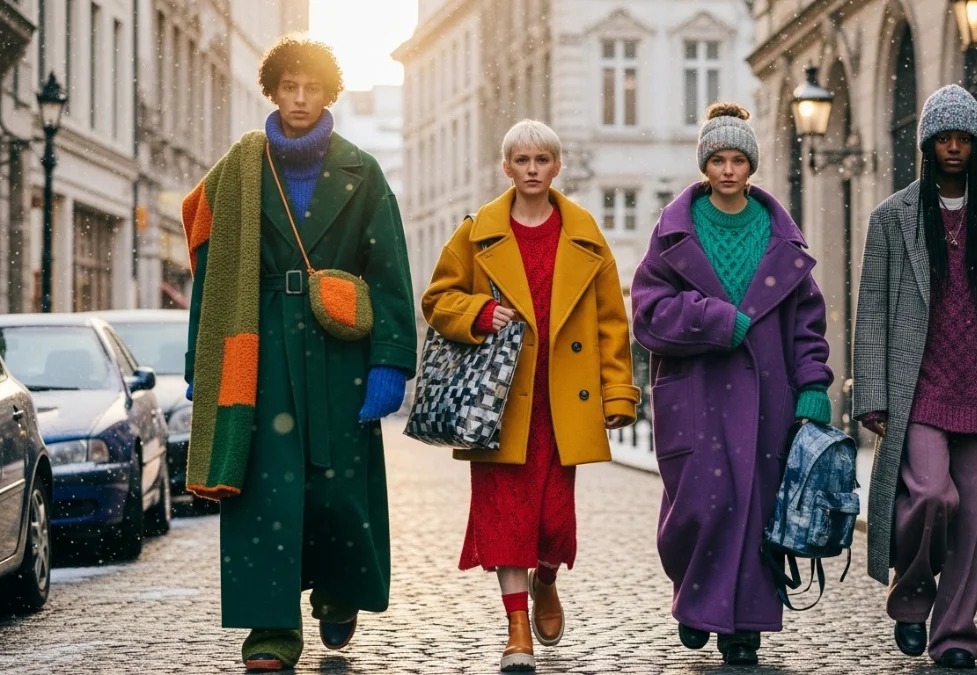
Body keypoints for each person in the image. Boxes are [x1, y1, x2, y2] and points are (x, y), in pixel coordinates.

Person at [182, 36, 417, 671]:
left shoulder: (363, 171)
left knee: (338, 489)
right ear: (274, 90)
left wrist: (390, 360)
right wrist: (201, 363)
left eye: (311, 88)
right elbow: (211, 274)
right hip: (257, 349)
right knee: (265, 493)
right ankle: (271, 627)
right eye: (289, 87)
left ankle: (339, 593)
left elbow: (389, 270)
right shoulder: (239, 171)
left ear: (328, 93)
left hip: (339, 351)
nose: (299, 99)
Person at [852, 84, 977, 669]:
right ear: (926, 145)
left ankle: (955, 637)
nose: (952, 147)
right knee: (930, 495)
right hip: (917, 389)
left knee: (972, 522)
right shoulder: (891, 219)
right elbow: (872, 310)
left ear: (976, 146)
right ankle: (913, 593)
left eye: (962, 138)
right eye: (942, 138)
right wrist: (872, 395)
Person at [422, 119, 639, 672]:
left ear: (557, 166)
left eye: (542, 160)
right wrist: (479, 312)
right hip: (499, 402)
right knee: (504, 518)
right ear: (507, 168)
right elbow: (438, 299)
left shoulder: (585, 233)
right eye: (522, 160)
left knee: (553, 523)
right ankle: (516, 627)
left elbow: (611, 321)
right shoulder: (477, 232)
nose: (533, 170)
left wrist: (618, 393)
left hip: (562, 400)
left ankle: (546, 579)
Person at [630, 103, 834, 666]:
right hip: (695, 391)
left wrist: (813, 386)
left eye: (737, 160)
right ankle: (696, 599)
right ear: (705, 164)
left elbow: (807, 324)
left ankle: (742, 627)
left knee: (758, 510)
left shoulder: (780, 236)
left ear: (751, 166)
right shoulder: (674, 231)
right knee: (701, 505)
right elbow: (648, 313)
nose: (727, 169)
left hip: (769, 395)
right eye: (717, 159)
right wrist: (716, 321)